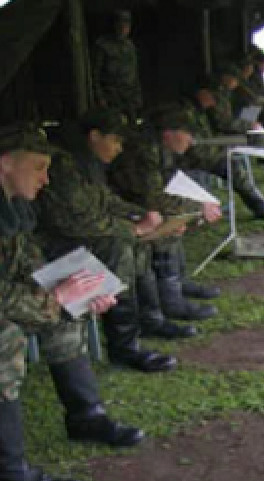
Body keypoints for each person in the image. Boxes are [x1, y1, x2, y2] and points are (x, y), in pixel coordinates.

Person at [0, 123, 145, 481]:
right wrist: (56, 298)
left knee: (63, 316)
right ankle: (10, 472)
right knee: (5, 338)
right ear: (5, 164)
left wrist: (76, 293)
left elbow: (26, 264)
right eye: (37, 167)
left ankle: (86, 415)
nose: (46, 180)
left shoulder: (12, 208)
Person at [36, 110, 192, 374]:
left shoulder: (86, 163)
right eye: (116, 141)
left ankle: (149, 319)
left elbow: (106, 201)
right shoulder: (64, 166)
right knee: (119, 246)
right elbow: (75, 222)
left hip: (70, 235)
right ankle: (123, 347)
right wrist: (132, 229)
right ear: (95, 136)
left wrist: (139, 215)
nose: (119, 149)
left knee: (134, 245)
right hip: (47, 241)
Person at [107, 106, 224, 321]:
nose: (191, 140)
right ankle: (171, 301)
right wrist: (197, 208)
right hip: (123, 206)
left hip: (134, 203)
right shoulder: (144, 151)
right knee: (168, 223)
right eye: (187, 134)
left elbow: (168, 184)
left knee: (175, 218)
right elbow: (154, 196)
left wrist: (192, 205)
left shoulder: (159, 148)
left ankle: (177, 283)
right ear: (168, 134)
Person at [91, 10, 141, 122]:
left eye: (126, 24)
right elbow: (95, 74)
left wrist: (137, 96)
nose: (123, 28)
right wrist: (100, 97)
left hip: (129, 95)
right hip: (112, 95)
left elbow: (134, 73)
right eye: (121, 24)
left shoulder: (130, 47)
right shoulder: (103, 45)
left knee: (132, 126)